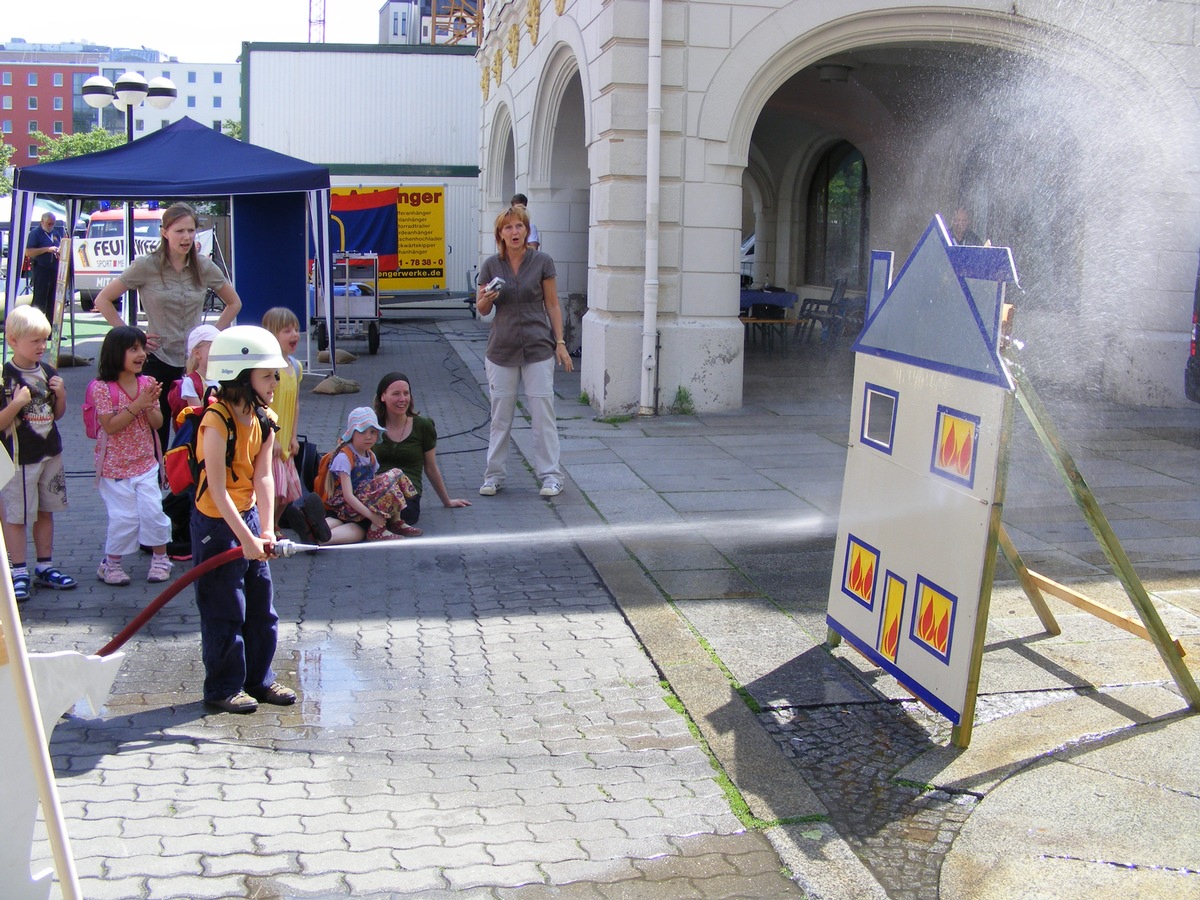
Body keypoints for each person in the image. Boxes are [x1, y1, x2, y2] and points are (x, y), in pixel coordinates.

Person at [191, 325, 295, 714]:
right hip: (216, 527)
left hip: (248, 518)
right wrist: (244, 539)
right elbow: (217, 490)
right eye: (267, 374)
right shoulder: (216, 422)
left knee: (260, 606)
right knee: (224, 609)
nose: (275, 381)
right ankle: (223, 687)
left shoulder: (264, 418)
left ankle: (259, 680)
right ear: (240, 373)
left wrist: (265, 529)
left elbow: (264, 475)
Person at [93, 203, 242, 449]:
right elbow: (103, 300)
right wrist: (134, 338)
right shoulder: (146, 265)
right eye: (179, 231)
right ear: (164, 232)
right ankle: (156, 479)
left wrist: (210, 336)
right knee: (156, 429)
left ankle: (193, 483)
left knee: (198, 428)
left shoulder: (203, 266)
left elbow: (234, 303)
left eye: (191, 230)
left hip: (193, 362)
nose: (186, 237)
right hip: (157, 358)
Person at [476, 206, 573, 497]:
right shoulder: (491, 265)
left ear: (526, 230)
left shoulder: (542, 261)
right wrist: (487, 298)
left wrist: (560, 342)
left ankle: (551, 476)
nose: (515, 232)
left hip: (537, 347)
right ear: (500, 235)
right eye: (509, 228)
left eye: (519, 226)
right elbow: (481, 309)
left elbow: (553, 304)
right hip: (501, 349)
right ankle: (493, 476)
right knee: (500, 416)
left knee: (543, 414)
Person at [0, 306, 76, 602]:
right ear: (14, 341)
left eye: (44, 340)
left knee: (46, 510)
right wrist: (17, 403)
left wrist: (63, 394)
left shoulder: (48, 372)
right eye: (34, 341)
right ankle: (19, 570)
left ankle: (45, 566)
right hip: (19, 459)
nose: (41, 346)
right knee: (17, 515)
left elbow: (56, 415)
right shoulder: (6, 378)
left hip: (49, 453)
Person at [90, 326, 172, 586]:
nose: (141, 355)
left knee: (153, 512)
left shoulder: (146, 383)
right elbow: (110, 426)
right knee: (124, 518)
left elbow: (157, 423)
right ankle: (111, 563)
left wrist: (149, 406)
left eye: (142, 349)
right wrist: (138, 404)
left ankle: (161, 558)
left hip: (146, 463)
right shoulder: (102, 388)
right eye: (133, 349)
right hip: (114, 469)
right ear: (116, 353)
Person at [373, 372, 470, 529]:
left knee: (400, 516)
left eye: (406, 393)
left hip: (407, 494)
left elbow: (431, 467)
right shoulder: (372, 425)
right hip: (377, 489)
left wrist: (447, 501)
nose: (402, 399)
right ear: (383, 396)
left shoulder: (423, 426)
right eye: (396, 394)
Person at [320, 407, 419, 544]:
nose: (368, 436)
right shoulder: (345, 457)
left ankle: (396, 521)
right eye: (362, 432)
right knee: (391, 477)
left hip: (360, 502)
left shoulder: (370, 456)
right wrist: (372, 516)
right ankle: (316, 533)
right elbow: (348, 496)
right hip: (345, 507)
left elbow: (372, 486)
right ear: (352, 434)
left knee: (396, 474)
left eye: (373, 432)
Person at [25, 213, 64, 321]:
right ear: (42, 222)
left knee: (54, 300)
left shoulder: (56, 233)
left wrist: (59, 251)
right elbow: (28, 252)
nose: (51, 225)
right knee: (40, 299)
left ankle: (51, 329)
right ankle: (35, 326)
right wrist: (47, 249)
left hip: (55, 269)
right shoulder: (35, 233)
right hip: (41, 269)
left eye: (53, 223)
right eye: (49, 223)